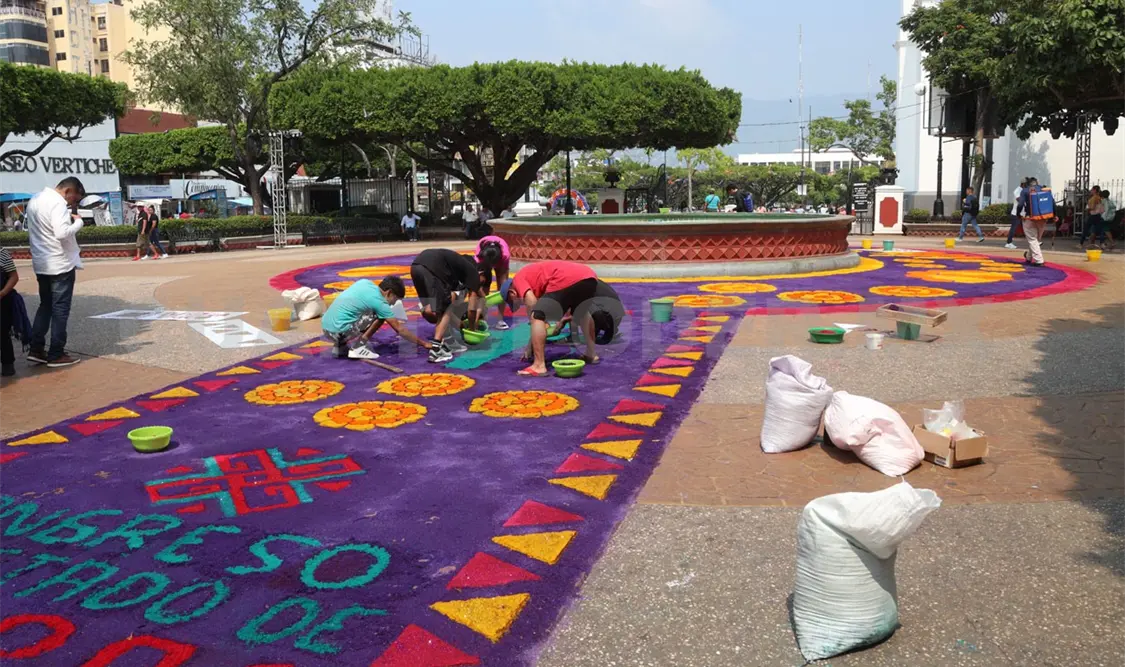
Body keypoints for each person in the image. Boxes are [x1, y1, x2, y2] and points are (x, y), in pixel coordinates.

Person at [503, 260, 600, 377]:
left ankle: (539, 365)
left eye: (513, 302)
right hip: (589, 277)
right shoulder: (534, 280)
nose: (519, 305)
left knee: (537, 315)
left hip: (565, 278)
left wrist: (531, 343)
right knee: (582, 313)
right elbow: (559, 306)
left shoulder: (518, 279)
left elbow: (533, 304)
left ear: (512, 293)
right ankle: (591, 354)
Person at [27, 176, 85, 367]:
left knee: (45, 306)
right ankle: (56, 353)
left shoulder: (35, 199)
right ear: (68, 191)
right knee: (60, 310)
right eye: (74, 198)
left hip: (42, 263)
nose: (72, 203)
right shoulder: (58, 203)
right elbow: (61, 233)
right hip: (60, 264)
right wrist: (78, 223)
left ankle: (36, 349)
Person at [321, 276, 431, 359]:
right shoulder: (380, 303)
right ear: (389, 292)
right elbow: (400, 329)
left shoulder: (364, 282)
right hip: (338, 332)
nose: (393, 303)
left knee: (354, 312)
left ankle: (340, 346)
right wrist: (424, 343)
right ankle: (358, 347)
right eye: (395, 299)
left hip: (326, 329)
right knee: (381, 315)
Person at [410, 248, 489, 364]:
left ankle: (443, 341)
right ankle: (436, 349)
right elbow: (472, 309)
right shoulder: (473, 274)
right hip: (432, 268)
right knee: (446, 306)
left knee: (434, 309)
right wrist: (472, 328)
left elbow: (480, 294)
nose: (480, 284)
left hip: (416, 266)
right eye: (482, 282)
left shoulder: (456, 272)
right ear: (481, 273)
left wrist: (459, 324)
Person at [475, 234, 511, 330]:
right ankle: (483, 317)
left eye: (493, 264)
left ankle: (500, 319)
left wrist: (503, 288)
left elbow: (504, 285)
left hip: (501, 262)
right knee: (483, 288)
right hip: (484, 262)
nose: (492, 266)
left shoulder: (505, 255)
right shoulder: (479, 256)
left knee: (503, 289)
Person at [0, 247, 19, 377]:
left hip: (2, 302)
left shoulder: (2, 253)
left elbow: (14, 276)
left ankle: (7, 363)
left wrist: (2, 293)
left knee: (2, 333)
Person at [1020, 177, 1046, 267]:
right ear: (1037, 182)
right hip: (1043, 218)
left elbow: (1020, 204)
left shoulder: (1025, 191)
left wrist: (1018, 214)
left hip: (1030, 218)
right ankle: (1028, 256)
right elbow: (1052, 202)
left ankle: (1039, 260)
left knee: (1032, 239)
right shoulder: (1044, 189)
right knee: (1036, 239)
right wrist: (1055, 215)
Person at [1005, 180, 1026, 249]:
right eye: (1026, 185)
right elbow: (1019, 200)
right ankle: (1009, 243)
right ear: (1023, 184)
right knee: (1013, 228)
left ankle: (1035, 241)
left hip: (1022, 213)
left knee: (1028, 228)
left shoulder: (1023, 190)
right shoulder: (1017, 190)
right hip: (1016, 213)